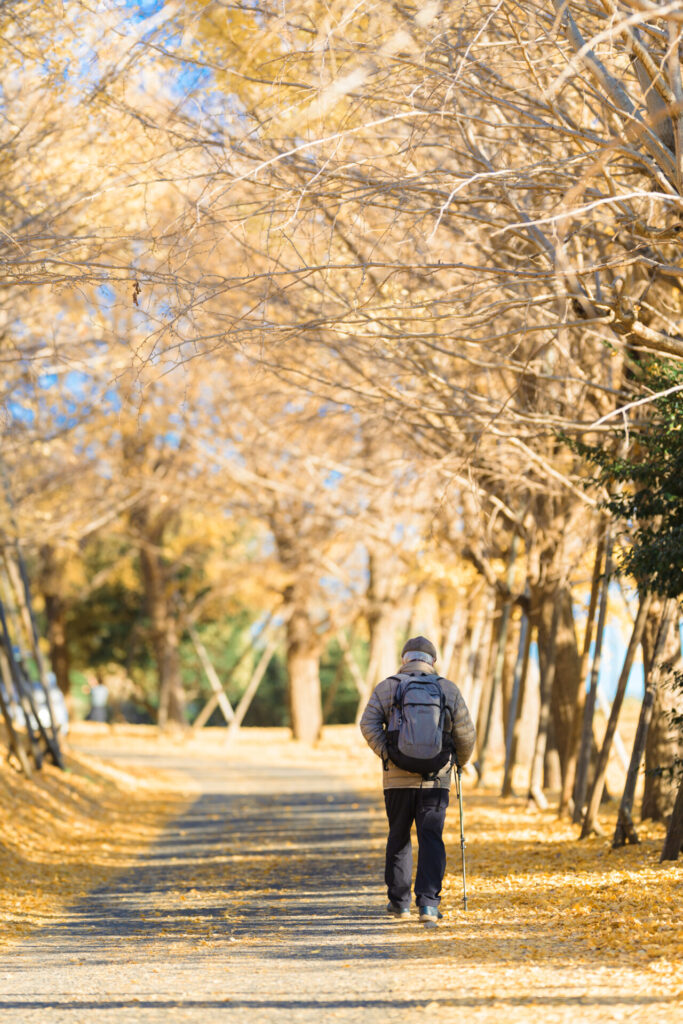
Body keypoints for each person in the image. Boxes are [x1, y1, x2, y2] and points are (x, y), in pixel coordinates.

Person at [360, 635, 476, 925]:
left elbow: (368, 723)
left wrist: (387, 753)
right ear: (432, 661)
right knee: (431, 838)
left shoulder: (388, 687)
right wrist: (459, 762)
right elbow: (465, 733)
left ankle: (400, 904)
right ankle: (428, 906)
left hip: (397, 780)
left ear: (404, 659)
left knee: (399, 837)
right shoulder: (447, 689)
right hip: (435, 780)